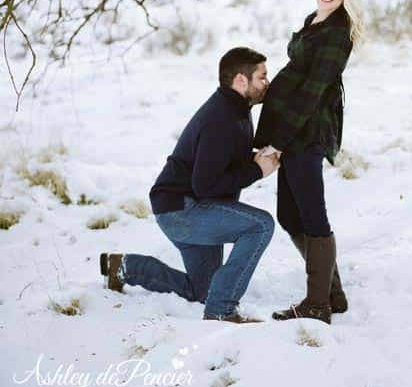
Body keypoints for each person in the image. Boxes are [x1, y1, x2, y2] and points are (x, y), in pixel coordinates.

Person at [99, 47, 279, 323]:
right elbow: (206, 184)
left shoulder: (236, 108)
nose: (267, 83)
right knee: (261, 225)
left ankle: (123, 267)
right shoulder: (221, 118)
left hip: (184, 207)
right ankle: (222, 310)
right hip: (183, 210)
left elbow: (222, 162)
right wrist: (256, 170)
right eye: (262, 77)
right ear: (241, 81)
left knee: (203, 289)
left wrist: (253, 159)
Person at [254, 0, 365, 324]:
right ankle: (332, 293)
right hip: (293, 128)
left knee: (312, 214)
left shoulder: (337, 31)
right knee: (289, 213)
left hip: (306, 131)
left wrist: (281, 141)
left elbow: (312, 93)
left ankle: (318, 304)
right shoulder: (316, 20)